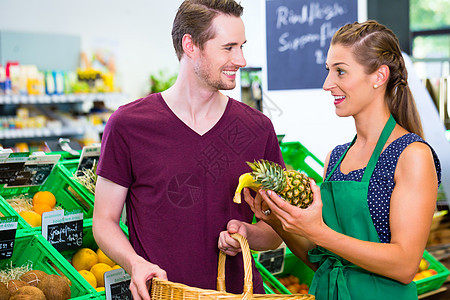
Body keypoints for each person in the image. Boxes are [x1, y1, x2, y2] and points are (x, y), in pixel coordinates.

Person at [92, 1, 283, 299]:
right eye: (229, 47)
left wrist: (248, 234)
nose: (242, 59)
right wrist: (135, 264)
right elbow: (104, 221)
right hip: (163, 294)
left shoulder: (257, 129)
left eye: (242, 46)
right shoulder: (128, 125)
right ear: (190, 45)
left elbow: (274, 231)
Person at [241, 20, 441, 299]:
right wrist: (275, 220)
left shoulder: (411, 155)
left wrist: (320, 232)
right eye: (328, 71)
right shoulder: (335, 158)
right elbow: (322, 260)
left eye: (341, 72)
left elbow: (405, 264)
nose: (327, 84)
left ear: (379, 76)